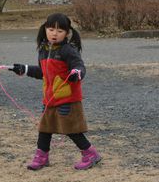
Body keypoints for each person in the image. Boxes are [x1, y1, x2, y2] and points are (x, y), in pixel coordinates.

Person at [9, 13, 102, 171]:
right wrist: (24, 69)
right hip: (49, 98)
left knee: (71, 129)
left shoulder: (68, 51)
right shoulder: (43, 50)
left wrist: (76, 73)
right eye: (51, 29)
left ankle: (90, 154)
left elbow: (80, 66)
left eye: (59, 31)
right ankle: (41, 157)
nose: (54, 33)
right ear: (45, 29)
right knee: (45, 128)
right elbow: (43, 72)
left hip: (67, 98)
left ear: (67, 33)